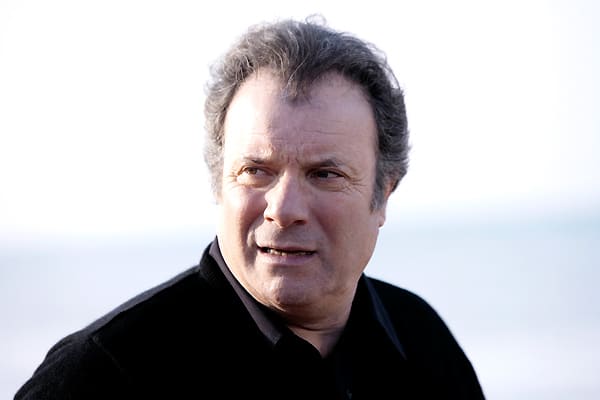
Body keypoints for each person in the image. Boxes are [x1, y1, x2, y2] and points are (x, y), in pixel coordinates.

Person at [15, 16, 485, 399]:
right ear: (219, 183)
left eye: (325, 174)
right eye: (256, 171)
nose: (284, 208)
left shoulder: (423, 345)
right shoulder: (101, 376)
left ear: (384, 194)